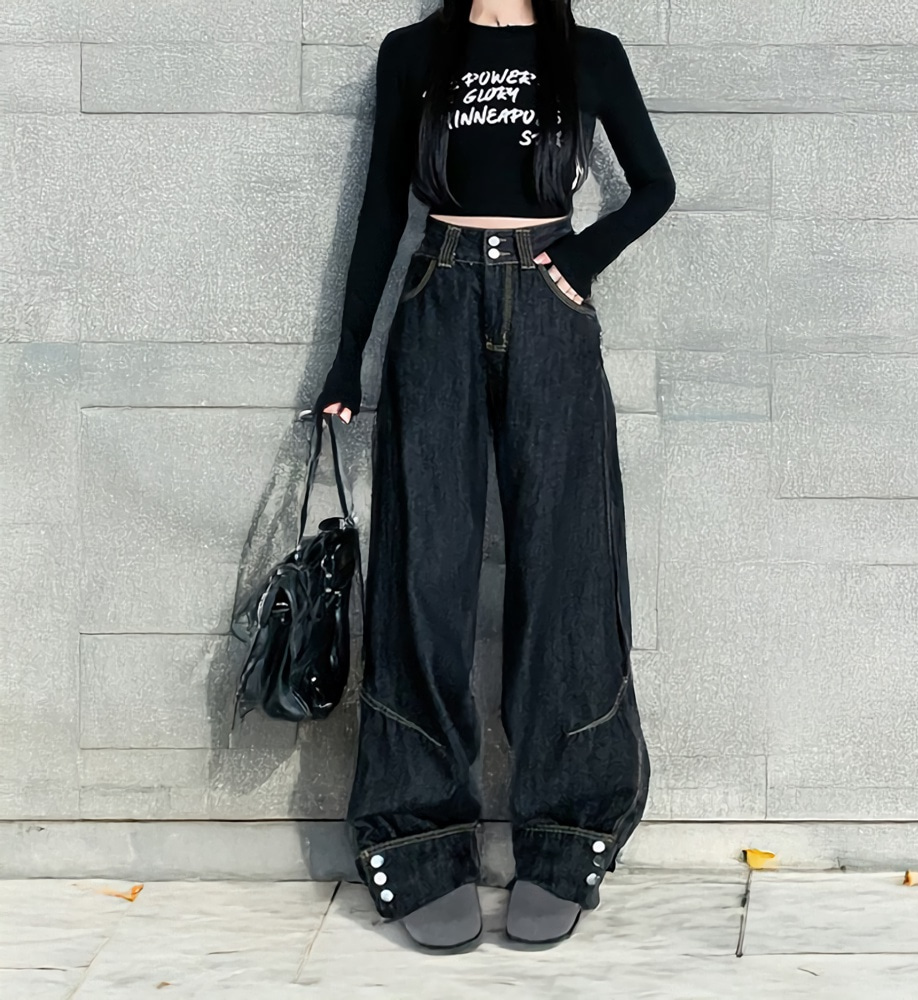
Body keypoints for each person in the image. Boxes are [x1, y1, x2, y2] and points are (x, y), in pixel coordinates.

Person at [312, 0, 675, 950]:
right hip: (436, 299)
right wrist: (348, 356)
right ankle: (420, 839)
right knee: (424, 572)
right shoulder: (413, 53)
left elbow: (655, 186)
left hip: (549, 312)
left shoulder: (589, 55)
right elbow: (382, 208)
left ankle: (567, 834)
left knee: (565, 570)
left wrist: (579, 259)